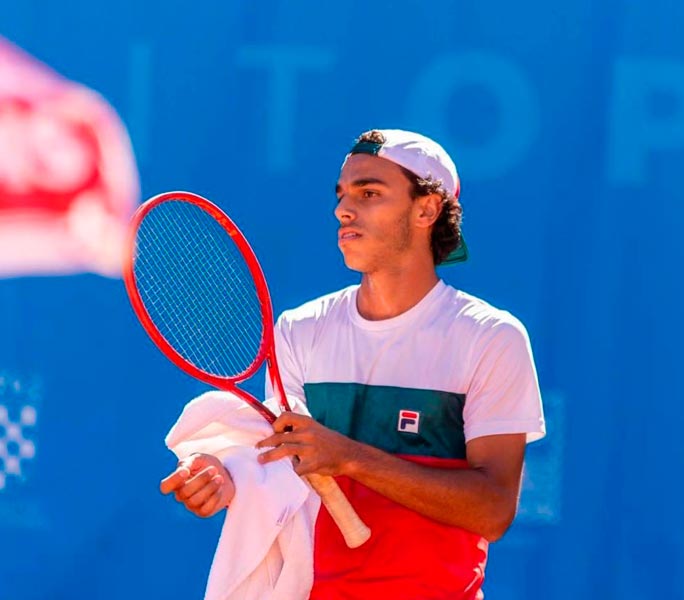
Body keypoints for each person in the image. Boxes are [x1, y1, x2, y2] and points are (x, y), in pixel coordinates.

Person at [160, 129, 545, 599]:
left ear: (427, 209)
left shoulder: (491, 338)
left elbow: (493, 510)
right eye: (342, 195)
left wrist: (349, 456)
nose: (343, 210)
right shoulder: (299, 330)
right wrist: (228, 475)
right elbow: (279, 466)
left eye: (369, 193)